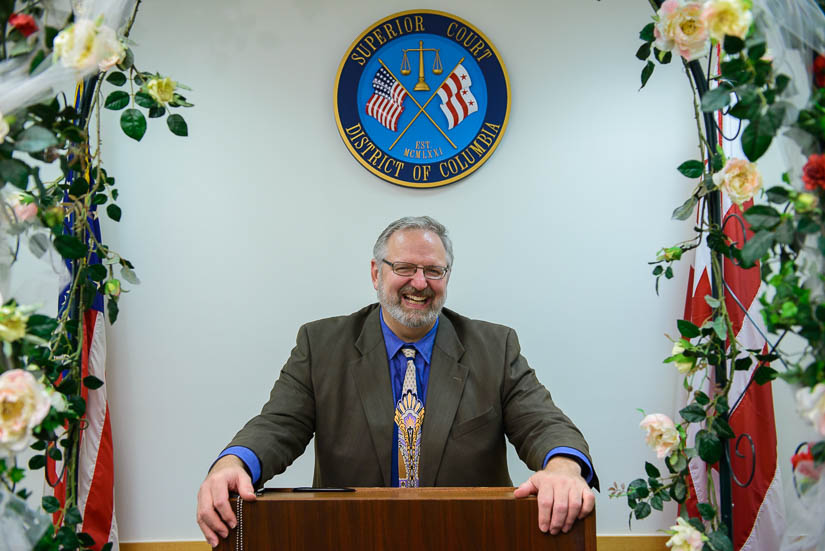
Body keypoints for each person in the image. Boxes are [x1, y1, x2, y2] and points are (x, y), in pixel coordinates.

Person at [196, 216, 598, 547]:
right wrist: (234, 462)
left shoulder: (494, 346)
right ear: (376, 272)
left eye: (433, 270)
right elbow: (279, 423)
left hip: (469, 537)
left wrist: (563, 466)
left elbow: (542, 420)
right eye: (404, 268)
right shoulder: (321, 345)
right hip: (351, 537)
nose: (419, 283)